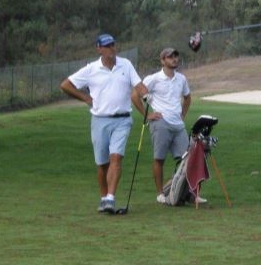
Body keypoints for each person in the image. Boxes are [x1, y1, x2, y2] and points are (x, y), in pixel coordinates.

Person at [60, 33, 149, 214]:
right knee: (102, 164)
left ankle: (110, 198)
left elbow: (138, 85)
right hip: (100, 120)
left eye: (113, 45)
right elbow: (66, 85)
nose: (111, 49)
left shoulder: (126, 64)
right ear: (99, 49)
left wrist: (145, 94)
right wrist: (85, 98)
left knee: (116, 157)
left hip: (123, 119)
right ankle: (103, 197)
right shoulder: (91, 69)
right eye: (107, 46)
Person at [131, 47, 202, 205]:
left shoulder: (181, 79)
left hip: (178, 124)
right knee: (159, 159)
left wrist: (182, 116)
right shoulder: (153, 79)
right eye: (170, 57)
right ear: (162, 60)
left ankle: (188, 193)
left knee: (187, 160)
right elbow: (135, 94)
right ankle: (160, 194)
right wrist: (147, 115)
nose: (174, 59)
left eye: (176, 56)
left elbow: (187, 98)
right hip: (160, 123)